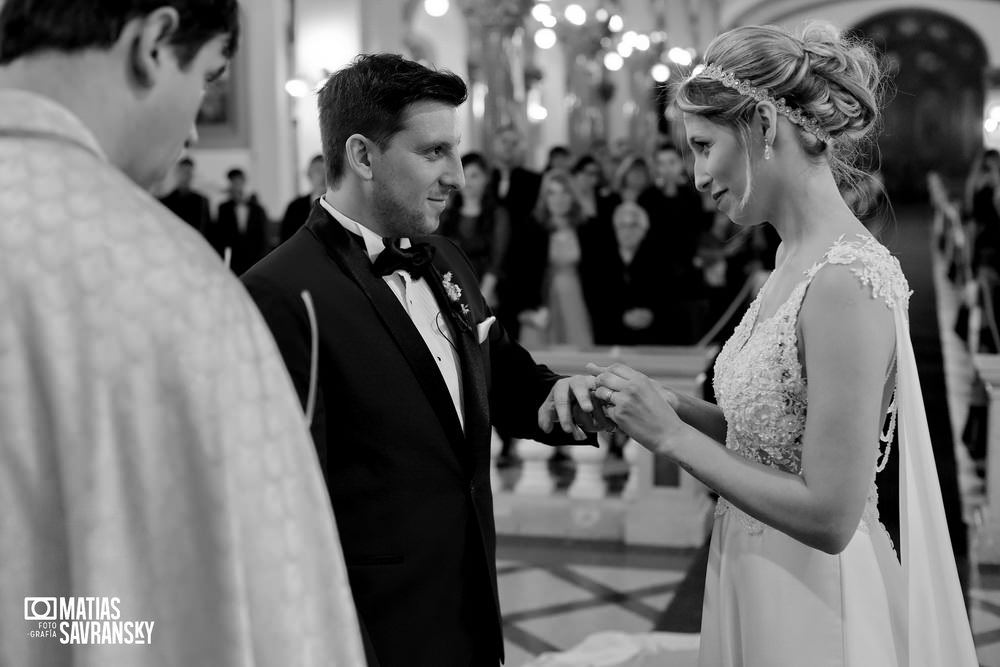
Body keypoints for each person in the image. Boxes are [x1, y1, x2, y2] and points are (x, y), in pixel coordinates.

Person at [563, 21, 977, 667]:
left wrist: (674, 441)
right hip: (755, 567)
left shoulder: (844, 280)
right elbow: (769, 435)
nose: (699, 175)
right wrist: (658, 407)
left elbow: (831, 513)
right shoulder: (791, 257)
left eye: (704, 145)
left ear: (763, 125)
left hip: (815, 599)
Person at [0, 1, 365, 666]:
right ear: (154, 43)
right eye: (207, 78)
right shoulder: (172, 283)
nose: (195, 130)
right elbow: (280, 605)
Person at [240, 53, 601, 667]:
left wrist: (567, 397)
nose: (457, 176)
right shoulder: (279, 295)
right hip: (376, 628)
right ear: (362, 156)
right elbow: (283, 512)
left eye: (454, 152)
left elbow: (502, 376)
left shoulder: (447, 258)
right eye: (434, 153)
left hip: (469, 604)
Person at [437, 151, 511, 308]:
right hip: (449, 294)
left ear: (486, 178)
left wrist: (480, 300)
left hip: (485, 294)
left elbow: (496, 262)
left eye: (474, 176)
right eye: (465, 175)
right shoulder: (447, 214)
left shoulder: (498, 215)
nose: (468, 182)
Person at [211, 167, 271, 273]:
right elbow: (219, 236)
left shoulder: (258, 209)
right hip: (232, 261)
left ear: (244, 182)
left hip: (254, 260)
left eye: (239, 181)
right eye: (233, 182)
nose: (236, 185)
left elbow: (263, 238)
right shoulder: (223, 208)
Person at [159, 156, 212, 234]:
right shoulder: (165, 201)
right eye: (183, 171)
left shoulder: (202, 201)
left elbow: (206, 230)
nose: (186, 176)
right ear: (177, 173)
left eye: (188, 172)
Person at [280, 153, 326, 243]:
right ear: (309, 175)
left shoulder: (341, 207)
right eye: (319, 171)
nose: (324, 177)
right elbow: (285, 241)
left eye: (327, 172)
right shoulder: (294, 207)